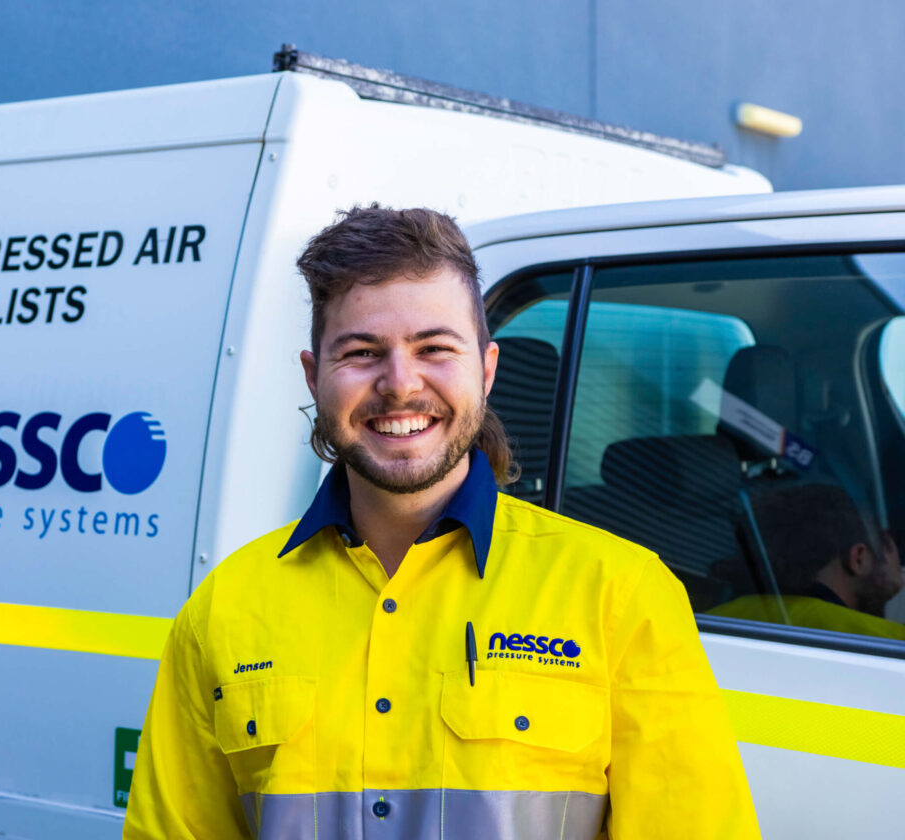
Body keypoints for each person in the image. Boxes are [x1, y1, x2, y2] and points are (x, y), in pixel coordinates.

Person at [122, 206, 760, 839]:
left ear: (485, 370)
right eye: (362, 352)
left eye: (434, 348)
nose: (400, 385)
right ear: (315, 379)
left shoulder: (620, 597)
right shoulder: (223, 610)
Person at [710, 483, 904, 639]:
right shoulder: (884, 641)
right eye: (888, 546)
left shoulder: (712, 619)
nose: (901, 567)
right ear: (859, 558)